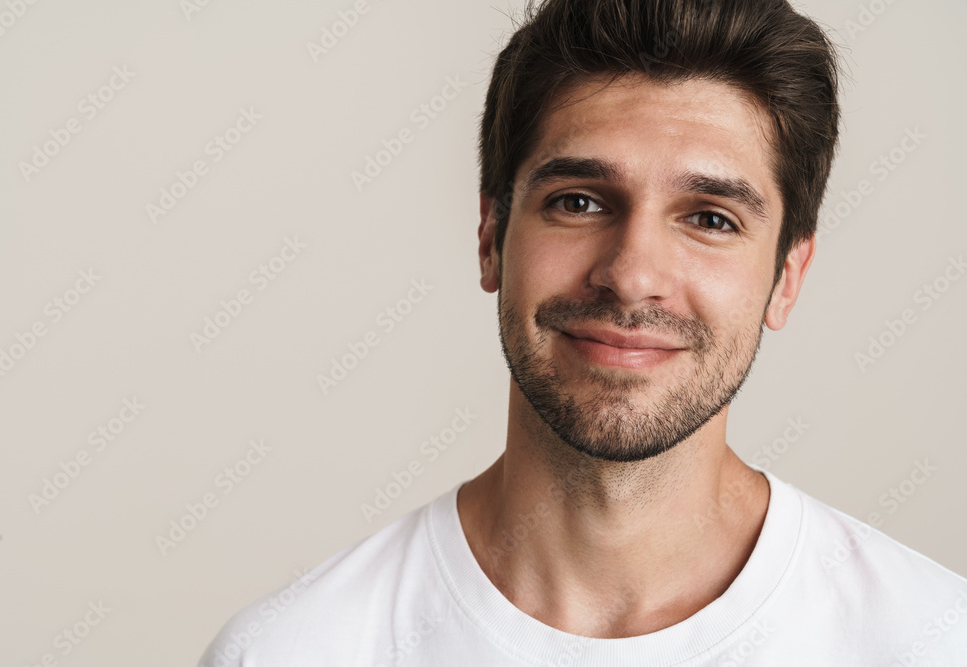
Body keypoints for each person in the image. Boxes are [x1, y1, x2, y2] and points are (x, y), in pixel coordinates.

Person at [199, 0, 967, 664]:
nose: (632, 274)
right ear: (491, 235)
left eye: (709, 218)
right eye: (579, 202)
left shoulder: (931, 641)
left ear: (787, 275)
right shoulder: (292, 650)